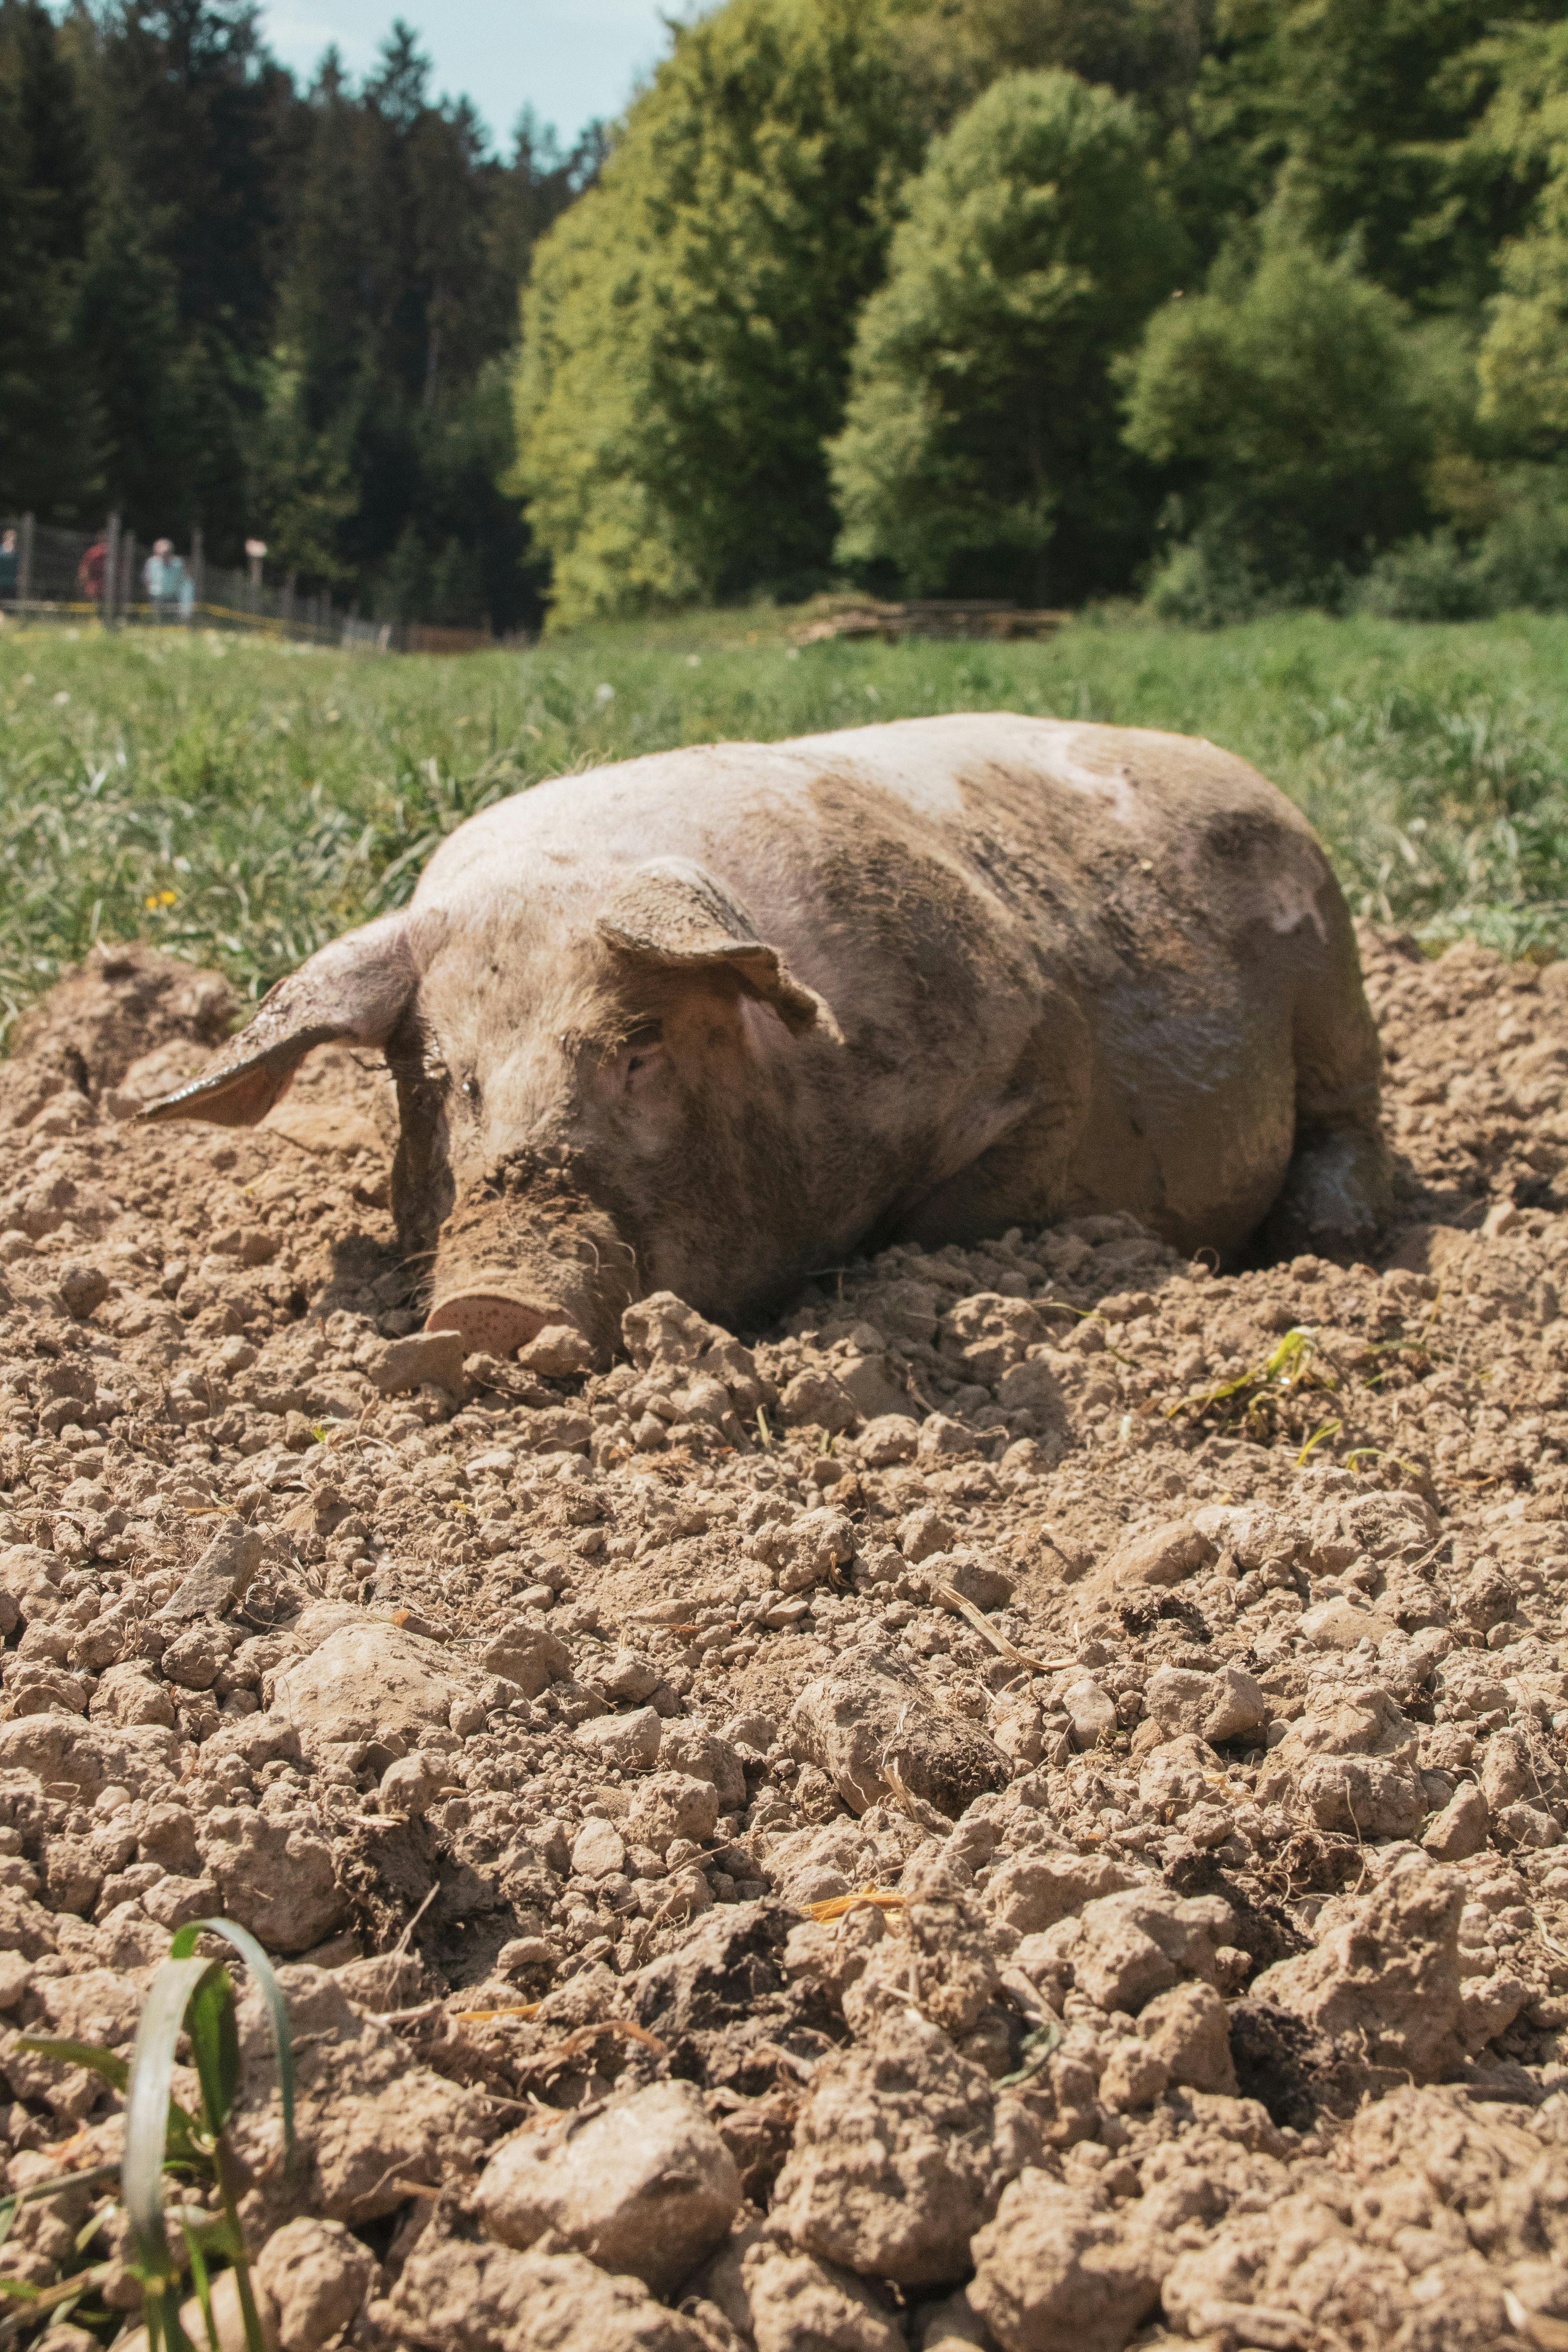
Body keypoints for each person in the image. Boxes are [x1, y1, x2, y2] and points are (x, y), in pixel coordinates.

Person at [144, 538, 194, 622]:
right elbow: (147, 580)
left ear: (171, 552)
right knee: (156, 621)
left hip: (173, 597)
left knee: (170, 622)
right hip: (156, 596)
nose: (164, 556)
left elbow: (188, 583)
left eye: (167, 553)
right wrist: (148, 594)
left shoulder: (178, 564)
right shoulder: (152, 563)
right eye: (161, 553)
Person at [78, 537, 107, 604]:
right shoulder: (94, 551)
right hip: (94, 585)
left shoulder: (114, 552)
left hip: (107, 586)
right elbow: (85, 568)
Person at [0, 530, 17, 604]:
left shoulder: (16, 553)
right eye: (10, 538)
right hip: (1, 582)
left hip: (11, 583)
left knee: (9, 607)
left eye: (13, 539)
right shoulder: (1, 551)